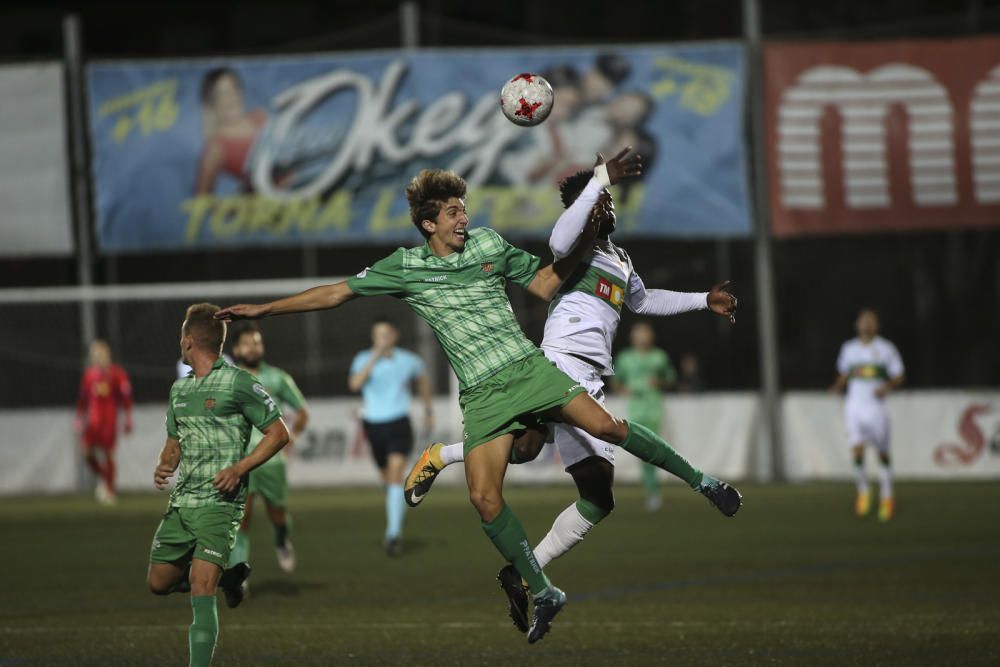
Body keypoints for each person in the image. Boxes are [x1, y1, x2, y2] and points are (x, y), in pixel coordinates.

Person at [215, 151, 725, 646]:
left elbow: (546, 283)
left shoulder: (487, 244)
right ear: (428, 224)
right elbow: (335, 293)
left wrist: (587, 236)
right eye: (454, 212)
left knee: (607, 428)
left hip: (528, 371)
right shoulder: (405, 267)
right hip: (481, 393)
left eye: (464, 209)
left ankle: (702, 484)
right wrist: (264, 311)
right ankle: (544, 591)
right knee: (484, 500)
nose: (464, 218)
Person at [403, 165, 740, 633]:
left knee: (594, 495)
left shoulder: (619, 259)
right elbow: (563, 235)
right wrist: (597, 185)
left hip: (592, 375)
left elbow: (645, 302)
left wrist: (704, 299)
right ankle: (705, 483)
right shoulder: (570, 250)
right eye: (603, 201)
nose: (610, 209)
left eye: (611, 201)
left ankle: (517, 567)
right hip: (556, 366)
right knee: (588, 434)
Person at [146, 303, 289, 667]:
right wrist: (165, 464)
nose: (180, 342)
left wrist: (240, 468)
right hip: (183, 503)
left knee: (199, 587)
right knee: (158, 583)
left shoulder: (240, 383)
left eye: (181, 337)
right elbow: (173, 444)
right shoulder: (179, 390)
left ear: (189, 341)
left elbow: (279, 433)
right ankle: (228, 579)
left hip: (220, 503)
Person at [226, 323, 309, 585]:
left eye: (257, 342)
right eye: (248, 343)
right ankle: (240, 576)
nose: (254, 347)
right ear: (236, 348)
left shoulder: (277, 378)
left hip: (272, 461)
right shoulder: (228, 379)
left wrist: (292, 434)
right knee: (241, 520)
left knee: (279, 516)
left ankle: (282, 541)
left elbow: (302, 410)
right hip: (239, 462)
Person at [348, 318, 433, 556]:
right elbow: (355, 384)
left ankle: (393, 535)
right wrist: (375, 356)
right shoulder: (363, 359)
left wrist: (428, 410)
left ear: (394, 335)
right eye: (377, 334)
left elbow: (423, 380)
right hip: (373, 425)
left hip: (399, 423)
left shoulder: (409, 360)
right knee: (388, 480)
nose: (382, 339)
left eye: (385, 334)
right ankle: (395, 509)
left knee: (396, 475)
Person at [831, 308, 904, 522]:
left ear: (877, 325)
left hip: (876, 408)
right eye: (864, 320)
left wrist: (887, 387)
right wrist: (836, 387)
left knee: (882, 453)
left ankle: (887, 496)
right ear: (857, 324)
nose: (867, 324)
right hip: (854, 407)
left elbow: (899, 376)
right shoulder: (849, 348)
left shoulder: (886, 348)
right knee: (857, 449)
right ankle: (863, 492)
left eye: (871, 321)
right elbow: (845, 373)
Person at [612, 321, 678, 511]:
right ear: (632, 337)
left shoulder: (659, 357)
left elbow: (671, 378)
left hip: (654, 409)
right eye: (638, 333)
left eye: (645, 333)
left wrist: (660, 381)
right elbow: (616, 382)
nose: (642, 337)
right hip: (635, 411)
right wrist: (623, 390)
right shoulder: (624, 358)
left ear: (651, 336)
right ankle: (652, 491)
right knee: (643, 453)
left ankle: (653, 492)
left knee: (653, 450)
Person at [75, 339, 133, 505]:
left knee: (109, 455)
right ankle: (104, 478)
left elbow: (126, 398)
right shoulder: (89, 375)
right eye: (95, 354)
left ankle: (109, 490)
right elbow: (83, 399)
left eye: (101, 354)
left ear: (108, 355)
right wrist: (80, 417)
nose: (98, 357)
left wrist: (128, 418)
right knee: (86, 453)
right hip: (93, 422)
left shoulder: (117, 373)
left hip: (109, 421)